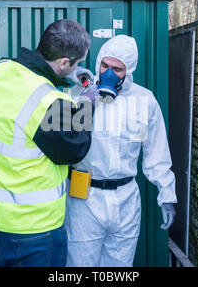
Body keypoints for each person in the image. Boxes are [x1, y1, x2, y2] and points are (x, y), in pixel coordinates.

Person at [0, 19, 95, 267]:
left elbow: (19, 104)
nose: (77, 68)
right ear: (63, 62)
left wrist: (63, 81)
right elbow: (76, 146)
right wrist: (86, 101)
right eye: (76, 64)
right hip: (34, 233)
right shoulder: (47, 101)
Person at [65, 34, 177, 267]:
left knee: (119, 266)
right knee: (79, 265)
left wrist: (167, 195)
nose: (108, 73)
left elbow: (157, 153)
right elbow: (61, 140)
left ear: (129, 71)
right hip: (84, 196)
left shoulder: (144, 100)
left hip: (125, 197)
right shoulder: (79, 94)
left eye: (117, 69)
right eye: (104, 65)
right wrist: (77, 89)